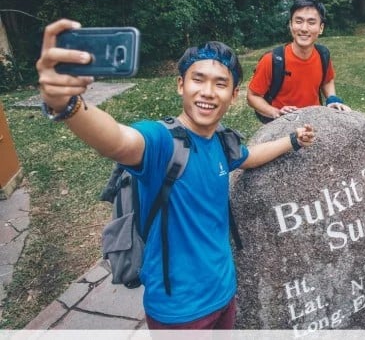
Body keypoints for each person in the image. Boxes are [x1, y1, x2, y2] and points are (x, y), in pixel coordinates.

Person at [36, 19, 316, 329]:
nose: (208, 92)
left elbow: (249, 158)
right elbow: (117, 140)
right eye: (198, 79)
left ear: (234, 94)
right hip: (179, 311)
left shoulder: (222, 142)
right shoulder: (161, 143)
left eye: (220, 83)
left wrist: (292, 140)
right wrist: (67, 104)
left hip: (225, 293)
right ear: (180, 84)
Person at [247, 0, 350, 121]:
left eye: (311, 22)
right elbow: (252, 96)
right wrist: (276, 112)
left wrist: (332, 99)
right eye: (299, 21)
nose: (304, 29)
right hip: (282, 126)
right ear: (291, 25)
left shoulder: (323, 54)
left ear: (321, 28)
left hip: (315, 122)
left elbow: (327, 81)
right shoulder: (272, 60)